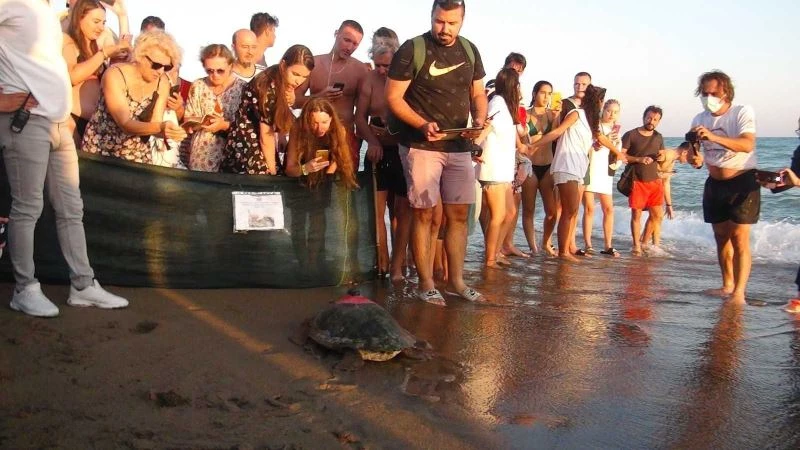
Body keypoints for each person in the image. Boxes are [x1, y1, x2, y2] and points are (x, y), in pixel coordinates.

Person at [0, 0, 128, 317]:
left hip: (57, 123)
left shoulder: (45, 9)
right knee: (28, 207)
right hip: (26, 120)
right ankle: (24, 289)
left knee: (71, 208)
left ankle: (83, 285)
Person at [386, 0, 488, 304]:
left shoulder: (470, 50)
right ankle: (426, 283)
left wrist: (479, 120)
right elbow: (393, 97)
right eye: (439, 21)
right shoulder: (412, 49)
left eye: (452, 23)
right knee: (424, 213)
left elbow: (478, 93)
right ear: (431, 17)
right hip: (421, 146)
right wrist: (421, 124)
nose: (444, 29)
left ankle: (456, 282)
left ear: (462, 20)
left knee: (459, 215)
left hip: (459, 145)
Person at [531, 84, 624, 261]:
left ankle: (565, 250)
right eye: (601, 101)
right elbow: (557, 132)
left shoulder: (591, 121)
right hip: (566, 165)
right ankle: (563, 252)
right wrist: (533, 145)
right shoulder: (577, 113)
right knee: (569, 211)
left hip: (578, 168)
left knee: (572, 211)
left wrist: (618, 153)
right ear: (597, 101)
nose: (601, 105)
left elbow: (601, 138)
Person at [689, 71, 758, 304]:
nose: (708, 98)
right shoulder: (699, 118)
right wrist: (693, 158)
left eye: (714, 93)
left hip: (742, 180)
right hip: (714, 182)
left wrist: (713, 137)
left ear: (726, 92)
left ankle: (739, 292)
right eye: (704, 93)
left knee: (739, 237)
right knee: (720, 236)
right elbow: (693, 150)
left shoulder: (741, 112)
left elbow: (747, 144)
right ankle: (727, 284)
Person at [82, 30, 187, 164]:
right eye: (156, 65)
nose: (161, 71)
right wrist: (161, 127)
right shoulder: (115, 75)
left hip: (136, 151)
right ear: (140, 56)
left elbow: (154, 124)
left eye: (167, 67)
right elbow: (125, 123)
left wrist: (172, 132)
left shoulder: (162, 82)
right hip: (99, 148)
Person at [355, 27, 406, 279]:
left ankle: (399, 265)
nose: (382, 70)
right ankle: (381, 264)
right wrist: (373, 141)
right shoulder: (369, 80)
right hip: (378, 151)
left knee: (400, 214)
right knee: (376, 214)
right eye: (378, 65)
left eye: (387, 65)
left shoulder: (406, 80)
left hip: (401, 151)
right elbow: (359, 119)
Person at [284, 98, 358, 273]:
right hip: (299, 178)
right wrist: (306, 168)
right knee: (298, 222)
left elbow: (340, 158)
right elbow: (290, 169)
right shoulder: (298, 129)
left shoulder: (338, 129)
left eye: (324, 122)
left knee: (318, 219)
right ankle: (303, 262)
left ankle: (313, 262)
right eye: (314, 123)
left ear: (331, 119)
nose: (319, 128)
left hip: (323, 179)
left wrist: (329, 174)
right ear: (306, 121)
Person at [220, 45, 314, 175]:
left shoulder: (276, 75)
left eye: (304, 77)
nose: (299, 81)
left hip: (255, 143)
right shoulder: (267, 87)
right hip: (248, 147)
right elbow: (266, 136)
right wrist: (273, 174)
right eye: (295, 74)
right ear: (283, 65)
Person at [294, 20, 369, 167]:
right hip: (313, 135)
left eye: (355, 44)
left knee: (344, 180)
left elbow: (363, 112)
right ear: (336, 34)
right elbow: (294, 101)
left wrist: (363, 139)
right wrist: (318, 97)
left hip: (345, 138)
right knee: (310, 177)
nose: (350, 47)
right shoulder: (314, 64)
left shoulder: (360, 70)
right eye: (347, 40)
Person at [475, 68, 528, 268]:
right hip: (493, 166)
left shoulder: (508, 106)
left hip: (504, 168)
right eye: (518, 85)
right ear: (512, 86)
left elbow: (515, 134)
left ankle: (496, 252)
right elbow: (487, 127)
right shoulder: (497, 102)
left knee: (510, 212)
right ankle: (490, 258)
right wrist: (474, 148)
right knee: (498, 215)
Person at [62, 0, 131, 141]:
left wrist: (122, 16)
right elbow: (73, 76)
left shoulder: (97, 48)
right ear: (80, 18)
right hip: (72, 122)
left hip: (95, 128)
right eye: (96, 22)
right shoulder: (68, 41)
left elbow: (123, 54)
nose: (101, 27)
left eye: (104, 23)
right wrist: (104, 54)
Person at [184, 44, 246, 172]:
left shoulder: (243, 88)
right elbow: (188, 118)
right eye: (210, 71)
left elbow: (247, 127)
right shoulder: (198, 86)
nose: (215, 75)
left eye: (220, 70)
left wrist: (224, 125)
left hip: (232, 154)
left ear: (231, 66)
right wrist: (201, 122)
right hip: (201, 155)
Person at [621, 106, 665, 256]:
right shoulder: (631, 135)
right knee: (637, 216)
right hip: (637, 180)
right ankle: (636, 246)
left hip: (655, 181)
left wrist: (662, 158)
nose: (651, 121)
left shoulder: (658, 137)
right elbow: (621, 156)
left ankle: (644, 242)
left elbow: (662, 156)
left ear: (658, 121)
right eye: (649, 118)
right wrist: (639, 159)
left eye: (655, 119)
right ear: (644, 117)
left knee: (657, 215)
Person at [521, 80, 559, 255]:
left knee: (552, 211)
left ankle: (546, 243)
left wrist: (557, 118)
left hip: (548, 166)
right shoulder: (525, 114)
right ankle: (533, 247)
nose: (546, 96)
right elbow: (520, 137)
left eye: (549, 93)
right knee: (528, 209)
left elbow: (558, 136)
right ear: (534, 93)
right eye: (543, 92)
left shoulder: (554, 115)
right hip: (530, 166)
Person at [581, 99, 622, 256]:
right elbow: (587, 145)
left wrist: (616, 146)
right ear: (603, 110)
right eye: (609, 110)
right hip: (591, 167)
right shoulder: (594, 126)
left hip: (605, 171)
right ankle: (588, 244)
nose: (611, 114)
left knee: (609, 209)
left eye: (615, 112)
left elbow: (617, 154)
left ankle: (608, 245)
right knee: (589, 208)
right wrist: (596, 143)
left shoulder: (616, 131)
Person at [640, 141, 691, 248]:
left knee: (657, 217)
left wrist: (669, 205)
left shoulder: (672, 160)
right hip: (646, 185)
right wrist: (662, 174)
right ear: (685, 152)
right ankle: (644, 244)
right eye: (689, 157)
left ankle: (654, 244)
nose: (689, 160)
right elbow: (646, 166)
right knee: (657, 216)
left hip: (655, 188)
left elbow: (666, 184)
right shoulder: (667, 154)